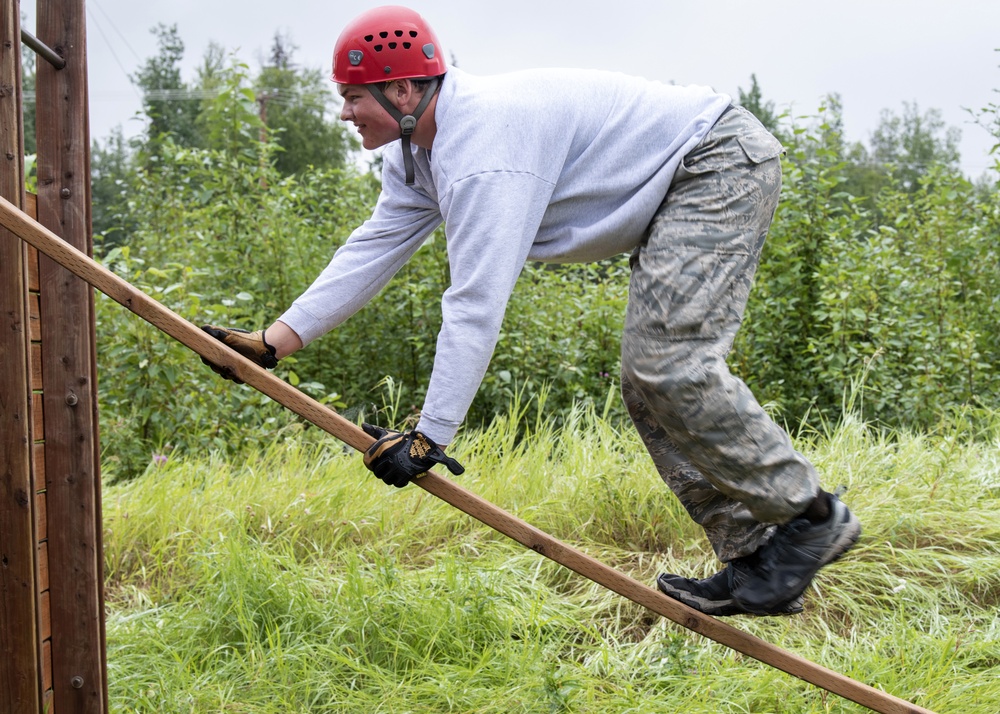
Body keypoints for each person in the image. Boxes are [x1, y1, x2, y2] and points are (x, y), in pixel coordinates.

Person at [202, 5, 860, 617]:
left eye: (352, 96)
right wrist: (272, 343)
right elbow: (372, 249)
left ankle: (810, 518)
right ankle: (753, 558)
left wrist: (431, 437)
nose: (345, 113)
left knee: (671, 364)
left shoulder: (482, 150)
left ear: (403, 92)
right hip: (681, 180)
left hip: (716, 161)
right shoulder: (416, 155)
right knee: (648, 381)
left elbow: (476, 301)